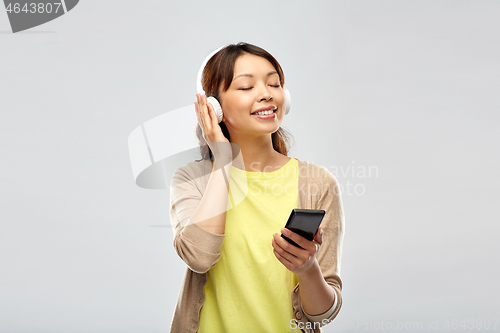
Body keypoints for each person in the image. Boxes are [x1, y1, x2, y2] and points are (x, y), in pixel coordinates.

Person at [169, 42, 345, 333]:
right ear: (214, 107)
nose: (266, 94)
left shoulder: (318, 183)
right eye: (246, 87)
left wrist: (307, 269)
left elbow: (322, 316)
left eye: (274, 83)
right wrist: (223, 160)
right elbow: (199, 258)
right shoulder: (192, 179)